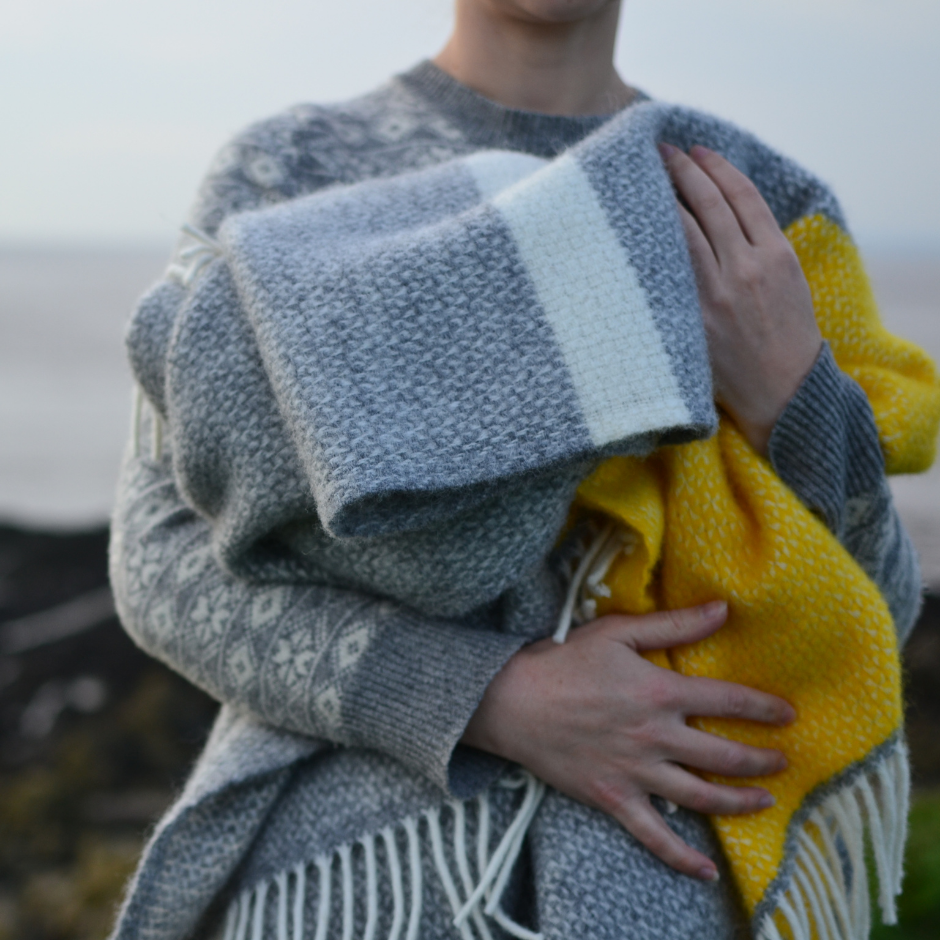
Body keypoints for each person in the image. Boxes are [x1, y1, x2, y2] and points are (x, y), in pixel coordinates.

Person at [109, 2, 926, 938]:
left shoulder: (756, 202)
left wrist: (792, 396)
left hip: (670, 896)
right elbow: (159, 560)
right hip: (348, 892)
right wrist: (489, 697)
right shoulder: (288, 169)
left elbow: (878, 609)